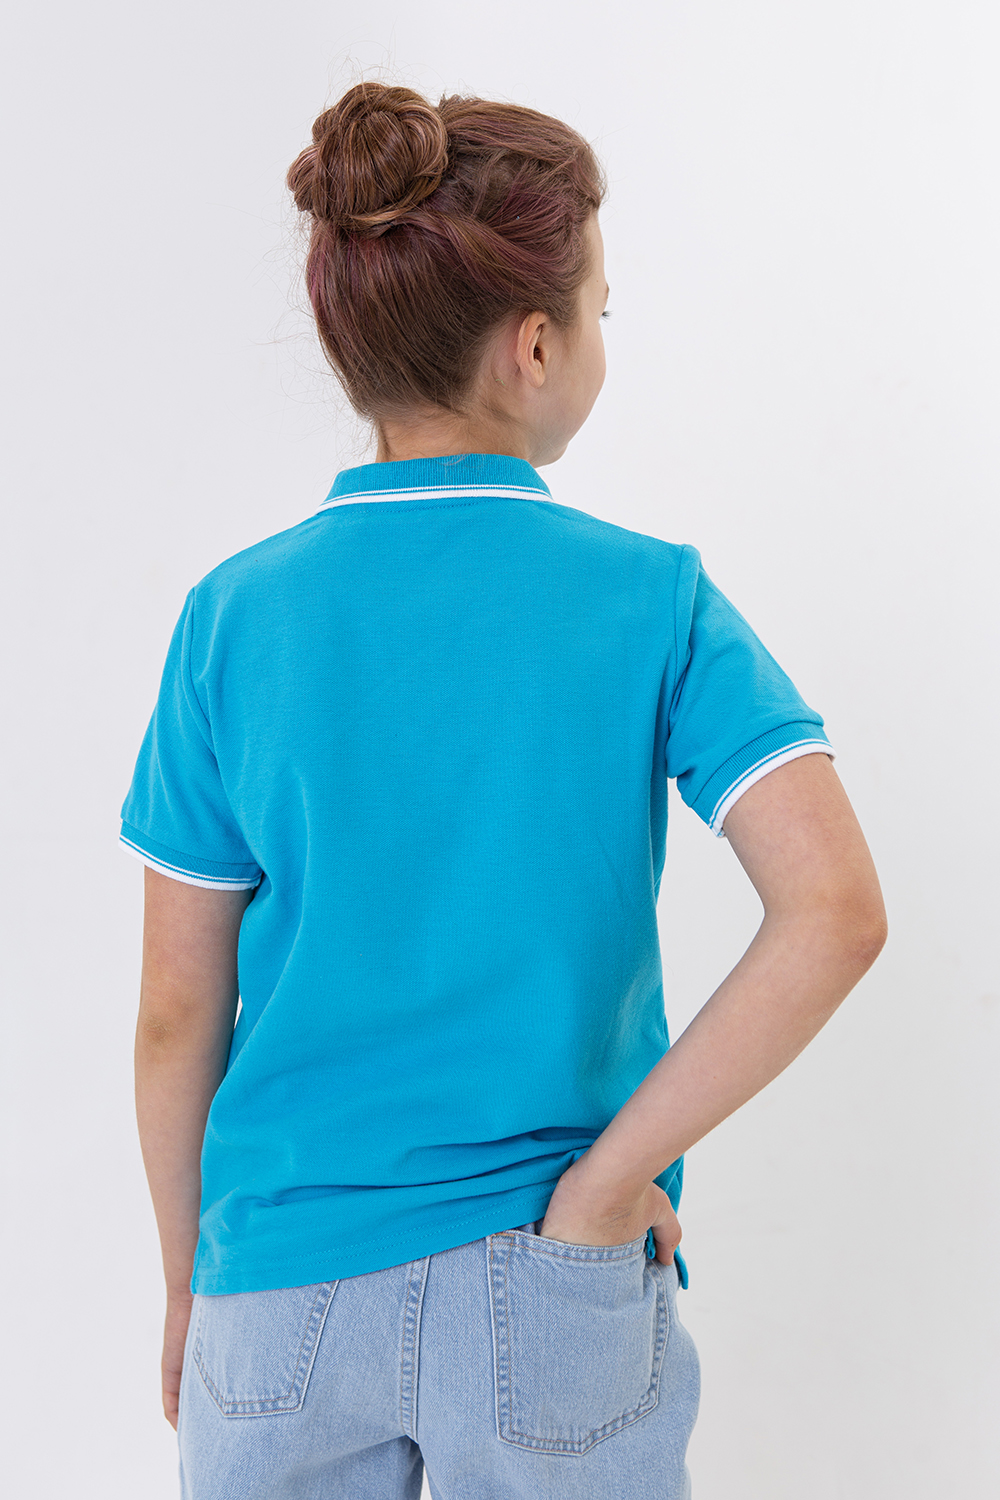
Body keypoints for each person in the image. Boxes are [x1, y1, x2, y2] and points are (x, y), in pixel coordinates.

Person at [121, 81, 887, 1500]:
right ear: (536, 346)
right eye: (600, 309)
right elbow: (833, 910)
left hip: (278, 1283)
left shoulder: (230, 618)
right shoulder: (653, 599)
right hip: (554, 1277)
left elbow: (177, 1011)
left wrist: (191, 1283)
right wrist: (611, 1181)